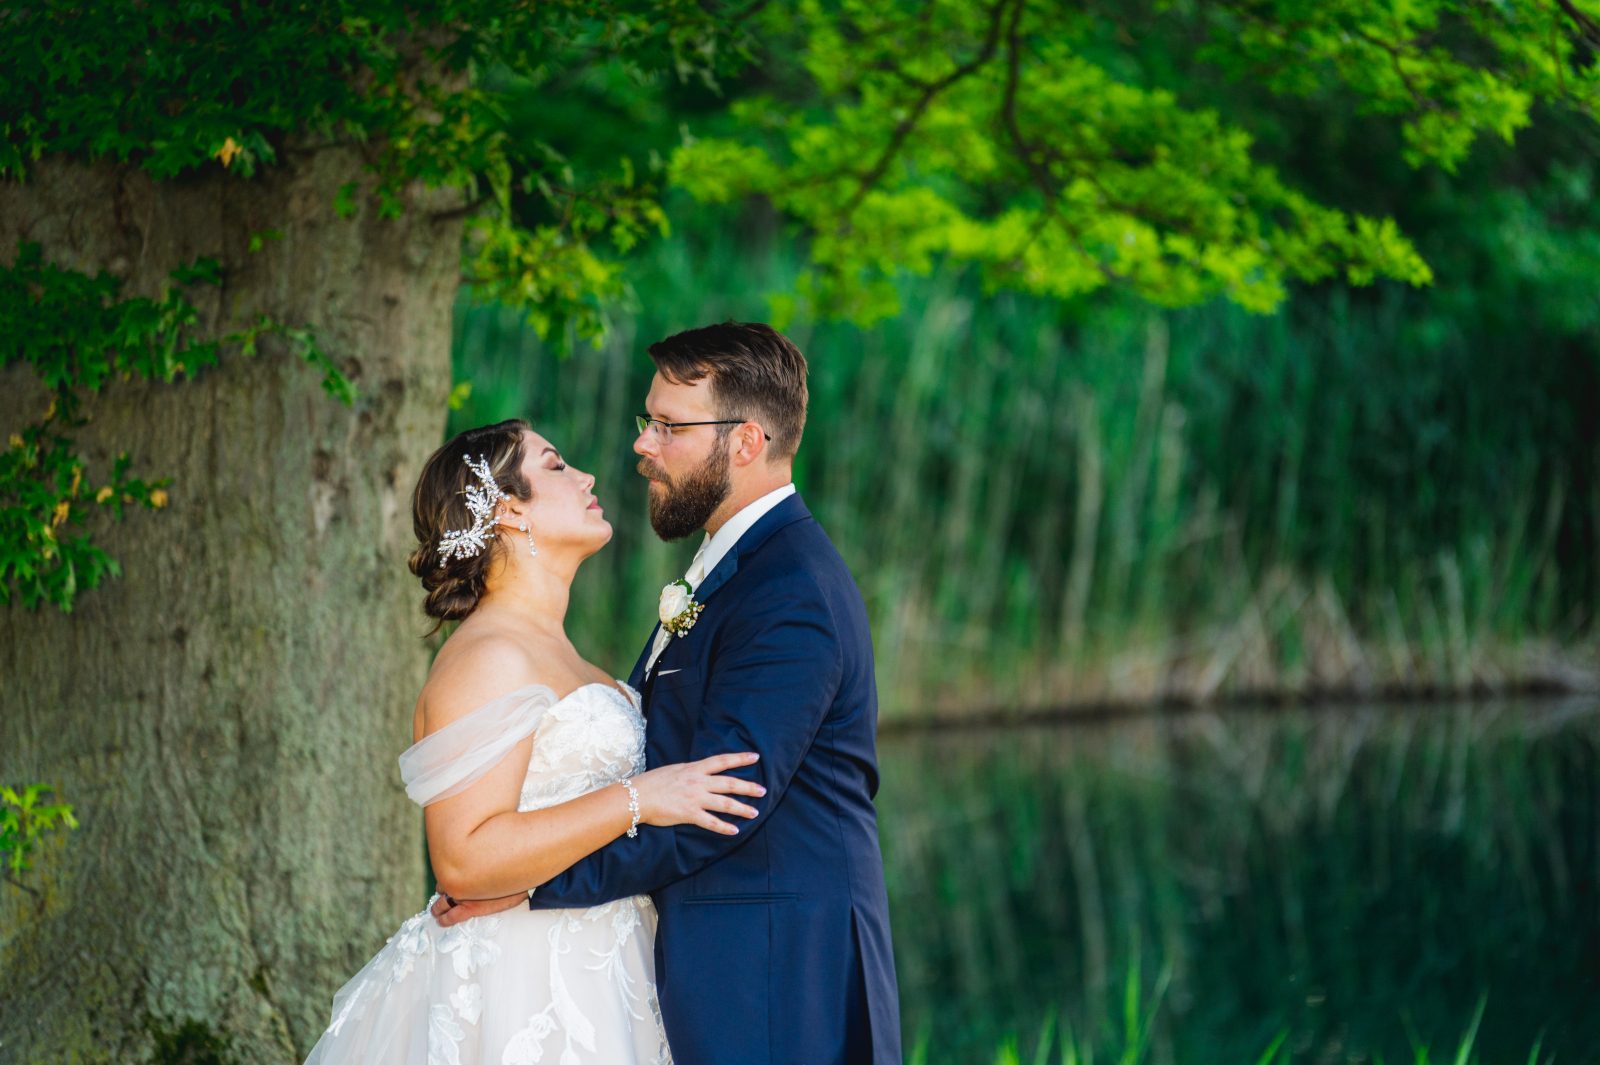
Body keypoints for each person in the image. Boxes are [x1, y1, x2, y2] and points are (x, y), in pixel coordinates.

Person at [434, 323, 902, 1065]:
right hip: (687, 975)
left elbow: (718, 803)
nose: (640, 445)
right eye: (646, 421)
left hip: (778, 981)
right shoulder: (731, 572)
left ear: (745, 442)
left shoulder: (790, 591)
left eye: (668, 426)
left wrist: (525, 890)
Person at [303, 418, 766, 1065]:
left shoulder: (560, 650)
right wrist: (641, 796)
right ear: (508, 509)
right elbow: (462, 858)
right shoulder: (490, 654)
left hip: (608, 967)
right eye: (556, 465)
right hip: (522, 987)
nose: (587, 477)